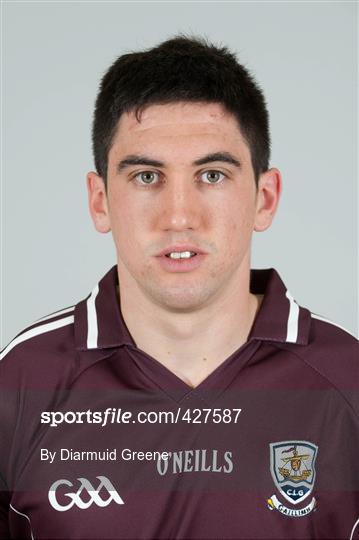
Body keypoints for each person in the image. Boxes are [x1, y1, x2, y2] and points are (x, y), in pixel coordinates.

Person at [0, 35, 358, 540]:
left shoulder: (349, 382)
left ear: (265, 197)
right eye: (147, 177)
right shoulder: (21, 382)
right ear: (100, 200)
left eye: (212, 174)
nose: (179, 216)